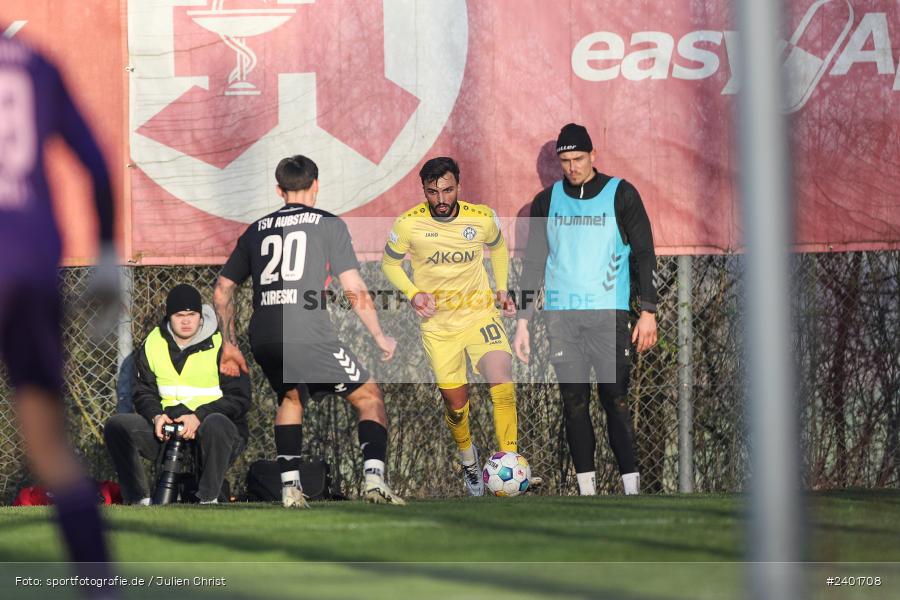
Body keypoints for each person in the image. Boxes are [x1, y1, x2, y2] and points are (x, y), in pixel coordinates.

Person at [214, 154, 405, 507]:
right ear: (316, 185)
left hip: (265, 334)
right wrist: (379, 335)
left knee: (291, 397)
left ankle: (290, 489)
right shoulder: (327, 224)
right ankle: (374, 481)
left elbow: (223, 289)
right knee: (369, 397)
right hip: (308, 331)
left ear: (279, 189)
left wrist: (229, 344)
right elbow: (353, 287)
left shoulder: (256, 229)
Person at [0, 34, 117, 573]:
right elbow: (95, 164)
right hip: (29, 259)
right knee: (48, 442)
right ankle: (99, 585)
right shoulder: (38, 63)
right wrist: (108, 256)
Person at [513, 123, 658, 496]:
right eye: (565, 160)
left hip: (608, 317)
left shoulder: (621, 194)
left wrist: (648, 310)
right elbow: (533, 263)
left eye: (578, 158)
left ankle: (631, 489)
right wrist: (523, 322)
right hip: (562, 319)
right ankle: (587, 493)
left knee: (615, 397)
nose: (572, 166)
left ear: (594, 155)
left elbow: (643, 253)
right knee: (574, 402)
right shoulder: (546, 202)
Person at [382, 157, 519, 497]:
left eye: (447, 190)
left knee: (501, 375)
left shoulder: (481, 217)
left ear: (459, 186)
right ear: (424, 191)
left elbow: (498, 246)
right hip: (439, 327)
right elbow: (390, 263)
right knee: (457, 405)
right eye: (433, 192)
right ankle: (469, 463)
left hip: (479, 314)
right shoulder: (408, 225)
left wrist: (501, 288)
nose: (441, 199)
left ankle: (512, 463)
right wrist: (413, 294)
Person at [103, 284, 251, 504]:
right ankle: (139, 500)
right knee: (117, 426)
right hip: (167, 428)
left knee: (216, 423)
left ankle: (209, 499)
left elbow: (240, 399)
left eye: (191, 315)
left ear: (200, 315)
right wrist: (156, 416)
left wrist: (199, 416)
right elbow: (143, 392)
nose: (186, 320)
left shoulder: (223, 346)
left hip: (213, 431)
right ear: (169, 316)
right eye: (179, 315)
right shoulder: (153, 343)